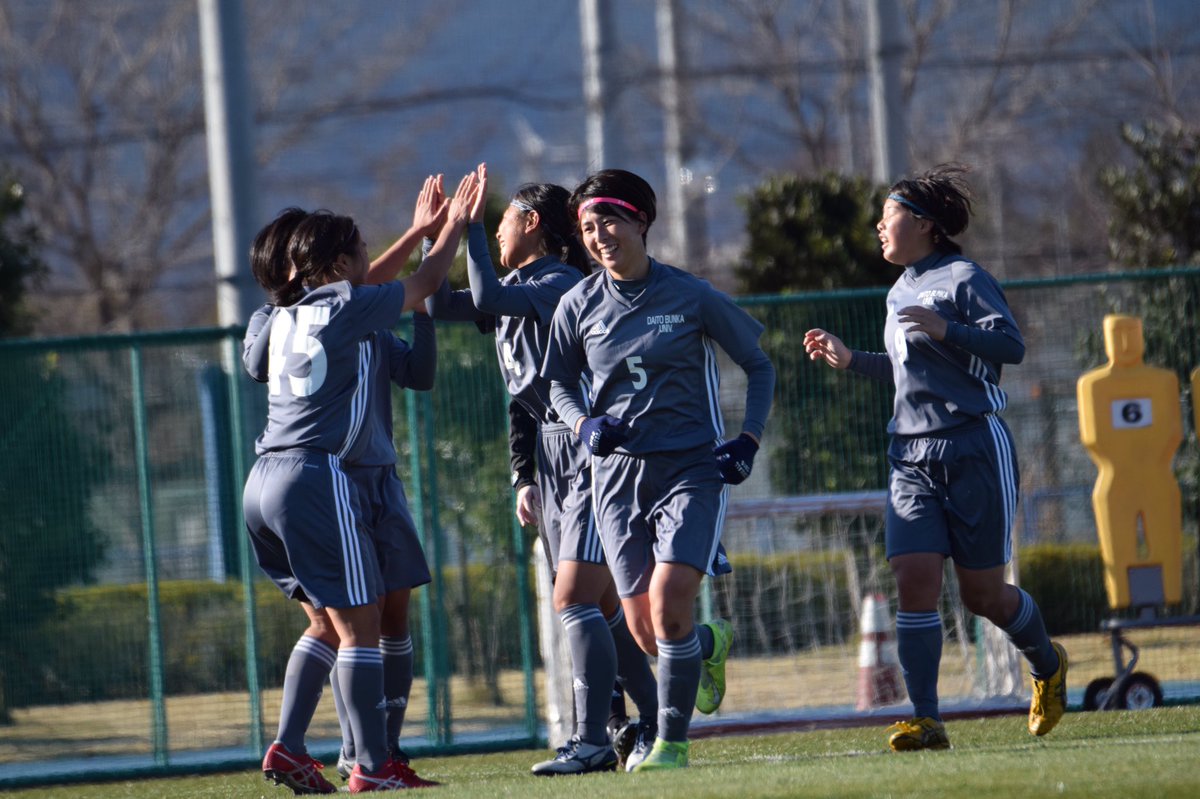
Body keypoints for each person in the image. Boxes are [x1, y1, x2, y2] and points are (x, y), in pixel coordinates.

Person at [802, 163, 1067, 752]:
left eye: (887, 214)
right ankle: (926, 719)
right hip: (910, 456)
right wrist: (852, 361)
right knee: (913, 579)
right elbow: (906, 371)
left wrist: (949, 329)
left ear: (922, 224)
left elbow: (1011, 347)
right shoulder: (899, 290)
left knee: (984, 597)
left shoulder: (964, 277)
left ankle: (1048, 665)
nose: (878, 226)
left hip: (973, 447)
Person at [244, 171, 479, 794]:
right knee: (359, 628)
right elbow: (423, 283)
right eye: (361, 251)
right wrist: (452, 225)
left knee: (336, 622)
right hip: (320, 478)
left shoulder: (284, 320)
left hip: (266, 479)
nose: (369, 261)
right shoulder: (349, 306)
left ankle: (303, 750)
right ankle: (371, 765)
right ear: (342, 263)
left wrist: (420, 237)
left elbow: (383, 300)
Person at [422, 166, 659, 775]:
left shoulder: (556, 282)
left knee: (575, 597)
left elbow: (485, 299)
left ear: (530, 224)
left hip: (585, 445)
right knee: (604, 607)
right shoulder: (519, 280)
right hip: (553, 455)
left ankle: (593, 740)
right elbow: (440, 300)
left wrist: (468, 229)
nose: (496, 232)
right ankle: (657, 724)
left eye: (502, 221)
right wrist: (435, 235)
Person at [541, 169, 775, 771]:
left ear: (643, 221)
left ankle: (669, 745)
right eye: (589, 229)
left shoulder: (690, 295)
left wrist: (746, 439)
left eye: (610, 221)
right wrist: (584, 425)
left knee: (671, 601)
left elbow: (758, 364)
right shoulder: (577, 305)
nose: (600, 236)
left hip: (691, 470)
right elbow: (560, 384)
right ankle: (707, 645)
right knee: (647, 632)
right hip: (616, 482)